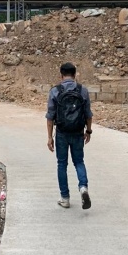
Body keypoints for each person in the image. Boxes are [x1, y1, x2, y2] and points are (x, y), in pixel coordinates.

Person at [46, 62, 93, 210]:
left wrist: (49, 137)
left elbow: (50, 116)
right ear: (75, 75)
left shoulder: (55, 91)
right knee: (79, 162)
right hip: (78, 132)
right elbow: (88, 114)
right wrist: (88, 131)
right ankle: (83, 187)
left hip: (61, 133)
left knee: (62, 164)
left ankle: (65, 198)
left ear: (61, 75)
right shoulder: (82, 91)